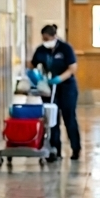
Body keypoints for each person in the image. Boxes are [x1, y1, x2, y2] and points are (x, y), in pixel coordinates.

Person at [30, 24, 81, 160]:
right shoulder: (41, 50)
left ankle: (75, 148)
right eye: (43, 39)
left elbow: (72, 68)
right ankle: (54, 150)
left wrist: (59, 79)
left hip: (67, 88)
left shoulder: (65, 49)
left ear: (54, 37)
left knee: (69, 118)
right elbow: (32, 65)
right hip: (48, 89)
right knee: (52, 119)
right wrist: (36, 77)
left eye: (47, 38)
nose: (45, 41)